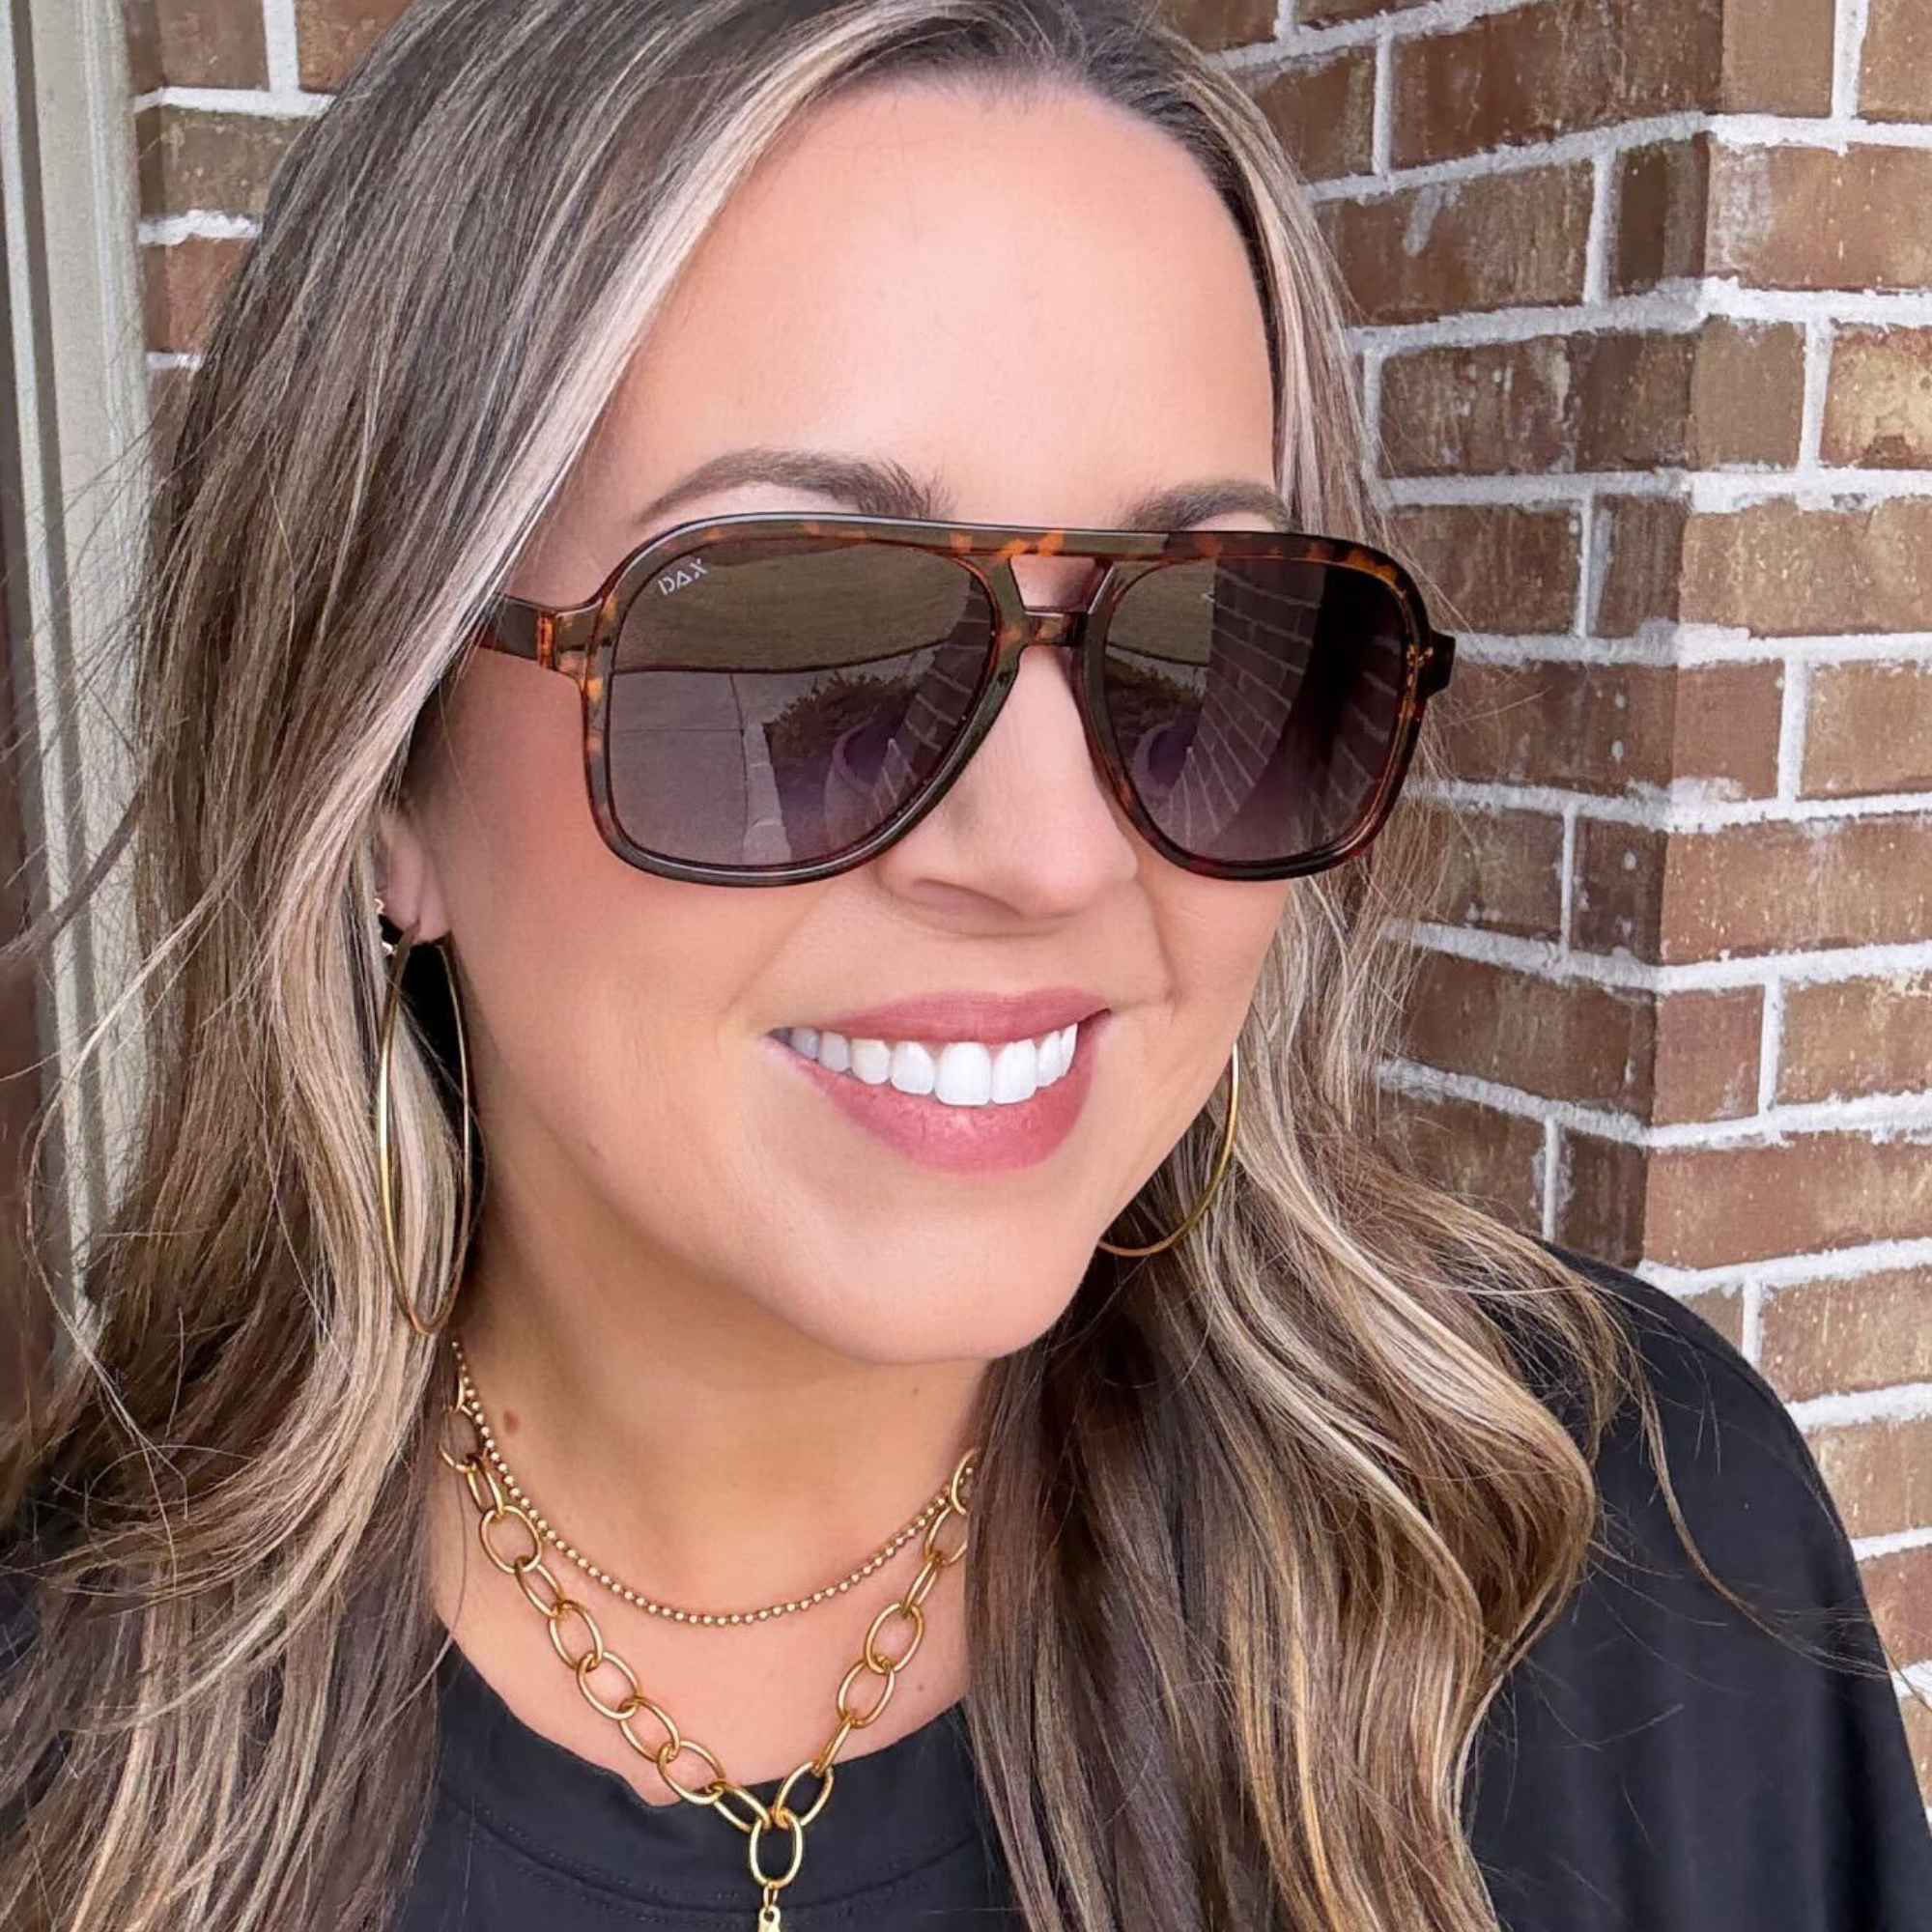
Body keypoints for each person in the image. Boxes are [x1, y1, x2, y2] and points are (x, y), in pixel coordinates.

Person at [3, 2, 1928, 1929]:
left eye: (1209, 637)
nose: (1053, 853)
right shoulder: (56, 1771)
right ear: (384, 777)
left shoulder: (1624, 1556)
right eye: (793, 635)